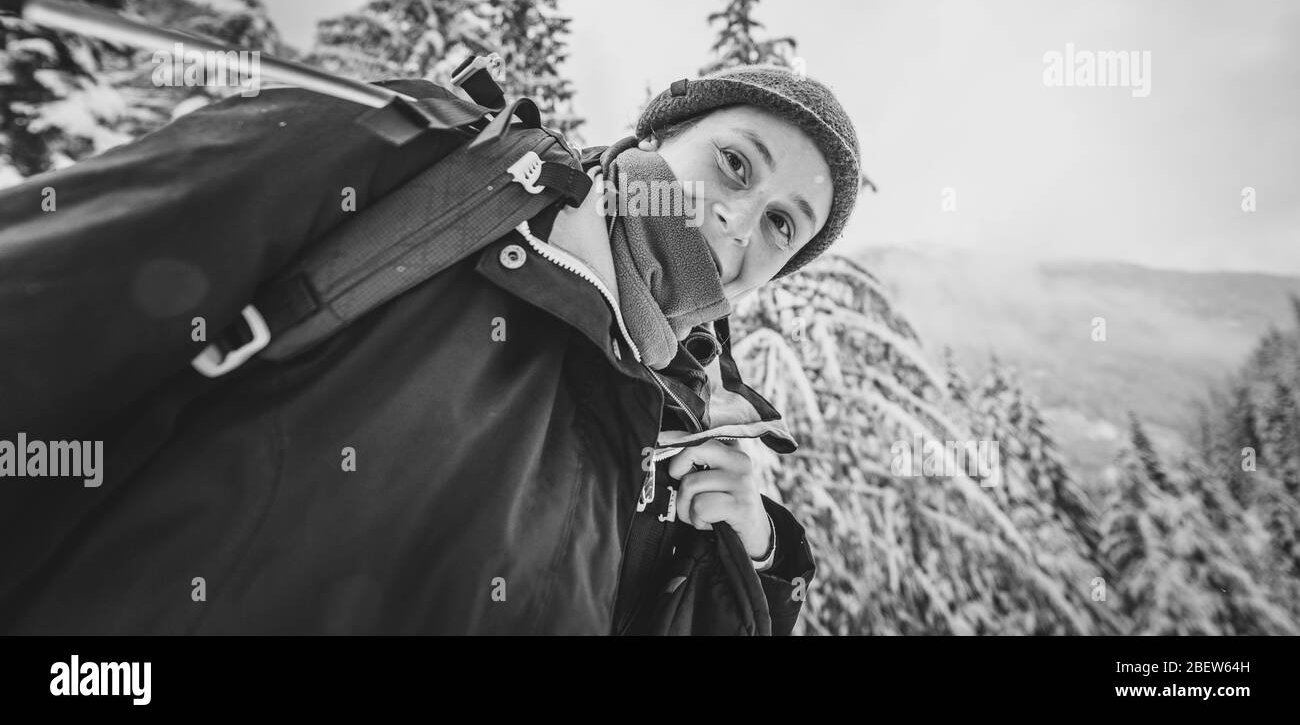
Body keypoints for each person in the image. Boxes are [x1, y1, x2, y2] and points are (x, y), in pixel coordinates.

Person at [0, 62, 862, 635]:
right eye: (736, 166)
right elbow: (58, 293)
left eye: (782, 225)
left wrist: (753, 556)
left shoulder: (678, 432)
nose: (736, 219)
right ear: (654, 140)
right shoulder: (418, 169)